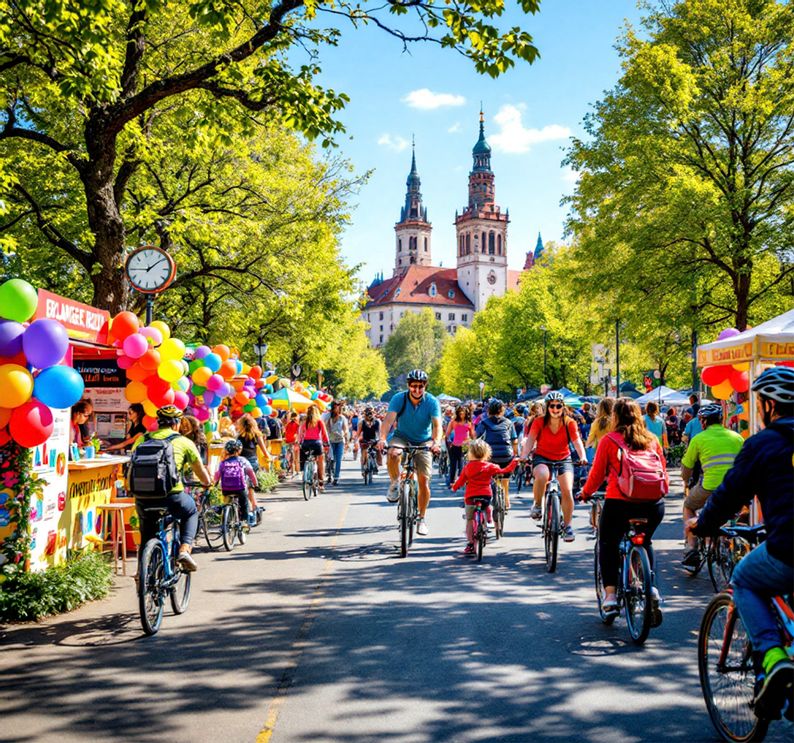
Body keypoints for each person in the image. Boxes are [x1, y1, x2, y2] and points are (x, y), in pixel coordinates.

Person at [687, 367, 794, 719]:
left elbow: (729, 495)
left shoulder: (762, 444)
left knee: (746, 578)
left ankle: (773, 656)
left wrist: (702, 524)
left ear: (767, 406)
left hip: (788, 546)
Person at [579, 398, 668, 622]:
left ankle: (609, 597)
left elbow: (597, 475)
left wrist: (586, 493)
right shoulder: (652, 440)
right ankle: (651, 587)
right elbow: (663, 472)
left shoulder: (610, 440)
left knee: (607, 543)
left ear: (615, 418)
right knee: (645, 541)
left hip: (620, 502)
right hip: (653, 504)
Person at [129, 406, 211, 572]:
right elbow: (201, 474)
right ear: (177, 424)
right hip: (172, 496)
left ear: (158, 423)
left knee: (147, 535)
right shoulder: (184, 442)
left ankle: (141, 573)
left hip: (143, 497)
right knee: (191, 511)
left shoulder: (142, 440)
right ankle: (185, 550)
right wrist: (207, 482)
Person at [378, 369, 442, 536]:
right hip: (402, 437)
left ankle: (421, 518)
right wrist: (382, 438)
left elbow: (437, 426)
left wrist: (436, 442)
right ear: (408, 386)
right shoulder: (399, 398)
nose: (417, 390)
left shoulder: (432, 401)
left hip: (424, 440)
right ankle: (394, 483)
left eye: (421, 386)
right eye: (414, 386)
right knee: (393, 453)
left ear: (425, 386)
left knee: (424, 481)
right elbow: (388, 421)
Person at [680, 403, 744, 567]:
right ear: (721, 419)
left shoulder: (699, 439)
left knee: (688, 506)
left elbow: (687, 466)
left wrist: (686, 481)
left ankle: (692, 546)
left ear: (703, 422)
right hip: (734, 488)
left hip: (709, 486)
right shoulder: (736, 437)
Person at [520, 391, 588, 542]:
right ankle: (538, 505)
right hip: (542, 457)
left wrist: (583, 457)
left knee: (568, 489)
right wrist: (523, 456)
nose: (555, 409)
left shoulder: (570, 422)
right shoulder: (538, 422)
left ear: (563, 407)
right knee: (543, 475)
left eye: (558, 406)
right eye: (552, 406)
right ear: (547, 407)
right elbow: (531, 440)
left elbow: (577, 442)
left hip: (564, 458)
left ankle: (568, 526)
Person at [452, 439, 517, 555]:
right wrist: (514, 462)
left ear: (470, 453)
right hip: (485, 495)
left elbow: (461, 481)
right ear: (487, 453)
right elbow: (504, 470)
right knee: (487, 505)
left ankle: (471, 544)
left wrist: (454, 487)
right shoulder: (490, 466)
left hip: (471, 497)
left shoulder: (467, 467)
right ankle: (489, 519)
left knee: (469, 520)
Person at [476, 398, 518, 510]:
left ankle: (492, 498)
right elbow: (514, 440)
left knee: (490, 478)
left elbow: (476, 437)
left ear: (489, 410)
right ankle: (507, 501)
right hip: (506, 455)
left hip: (490, 456)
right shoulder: (509, 423)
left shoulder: (484, 423)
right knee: (505, 480)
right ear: (502, 410)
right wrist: (515, 454)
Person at [215, 439, 258, 527]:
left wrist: (214, 484)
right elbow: (251, 472)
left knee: (226, 502)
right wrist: (256, 483)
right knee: (244, 504)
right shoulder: (242, 460)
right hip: (240, 488)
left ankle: (224, 520)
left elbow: (217, 475)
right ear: (239, 450)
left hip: (226, 489)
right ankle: (244, 522)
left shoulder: (223, 463)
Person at [299, 404, 330, 490]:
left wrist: (300, 443)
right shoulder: (319, 422)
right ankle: (320, 481)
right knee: (320, 461)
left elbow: (301, 434)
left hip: (305, 443)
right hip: (316, 443)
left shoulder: (305, 422)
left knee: (306, 458)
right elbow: (324, 434)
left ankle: (304, 472)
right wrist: (326, 444)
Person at [445, 405, 474, 489]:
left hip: (465, 445)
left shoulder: (469, 423)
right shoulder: (453, 422)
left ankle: (462, 480)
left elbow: (472, 435)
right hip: (455, 445)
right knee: (453, 464)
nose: (462, 415)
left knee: (462, 463)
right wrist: (449, 441)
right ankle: (452, 481)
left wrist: (472, 440)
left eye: (463, 413)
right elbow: (447, 434)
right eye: (460, 413)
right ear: (457, 413)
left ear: (466, 414)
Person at [324, 400, 349, 485]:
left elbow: (345, 428)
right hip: (330, 440)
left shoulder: (342, 418)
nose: (336, 408)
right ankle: (329, 474)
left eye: (338, 407)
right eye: (334, 407)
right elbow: (325, 426)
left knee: (338, 459)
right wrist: (328, 431)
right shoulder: (328, 416)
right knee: (330, 458)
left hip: (340, 441)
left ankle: (336, 477)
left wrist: (344, 434)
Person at [358, 406, 382, 473]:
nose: (370, 414)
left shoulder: (377, 422)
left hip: (374, 440)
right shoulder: (361, 422)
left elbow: (380, 433)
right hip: (365, 440)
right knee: (364, 451)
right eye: (368, 413)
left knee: (378, 450)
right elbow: (358, 434)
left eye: (371, 412)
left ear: (374, 413)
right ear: (365, 414)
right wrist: (356, 441)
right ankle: (363, 468)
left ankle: (377, 464)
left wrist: (380, 440)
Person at [284, 411, 300, 476]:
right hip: (294, 441)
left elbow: (285, 432)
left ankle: (293, 470)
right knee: (296, 457)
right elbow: (298, 433)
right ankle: (296, 470)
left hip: (289, 441)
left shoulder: (288, 424)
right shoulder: (297, 424)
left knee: (291, 456)